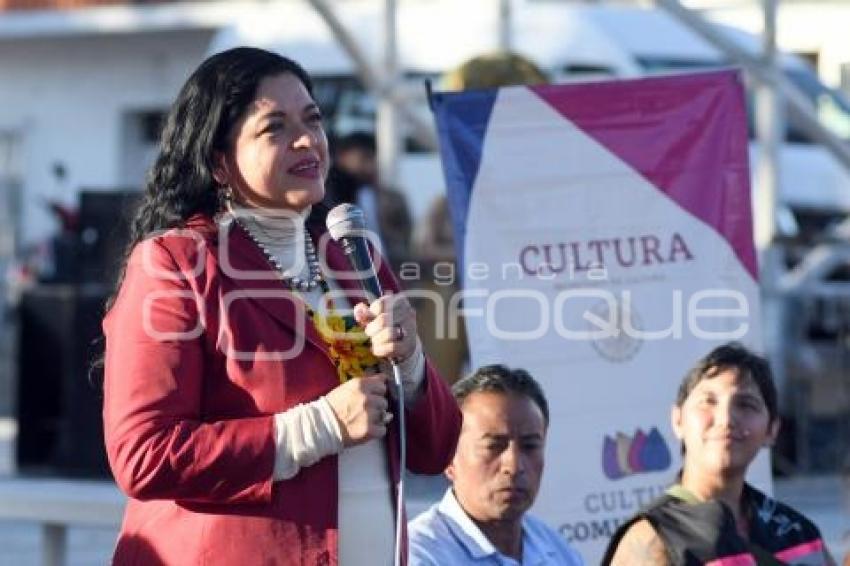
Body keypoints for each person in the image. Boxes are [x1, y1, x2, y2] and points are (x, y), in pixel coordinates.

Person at [101, 46, 461, 565]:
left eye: (313, 119)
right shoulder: (176, 262)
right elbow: (144, 456)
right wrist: (318, 427)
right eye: (274, 128)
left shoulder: (355, 260)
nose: (306, 139)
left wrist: (412, 366)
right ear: (220, 162)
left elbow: (436, 449)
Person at [602, 342, 836, 565]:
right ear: (678, 420)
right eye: (708, 402)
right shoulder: (655, 537)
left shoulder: (796, 533)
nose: (725, 419)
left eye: (745, 405)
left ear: (772, 429)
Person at [408, 364, 585, 565]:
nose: (514, 465)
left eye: (530, 446)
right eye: (493, 446)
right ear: (449, 459)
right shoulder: (418, 555)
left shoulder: (557, 549)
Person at [325, 131, 412, 268]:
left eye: (373, 158)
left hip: (386, 271)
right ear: (342, 157)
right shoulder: (328, 197)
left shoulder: (389, 197)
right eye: (364, 158)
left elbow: (404, 240)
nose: (370, 165)